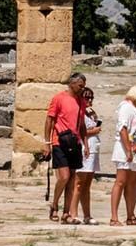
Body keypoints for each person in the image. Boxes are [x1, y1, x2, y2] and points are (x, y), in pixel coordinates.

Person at [43, 72, 86, 224]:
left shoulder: (82, 101)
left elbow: (82, 125)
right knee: (64, 177)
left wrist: (85, 144)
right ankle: (54, 204)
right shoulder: (59, 98)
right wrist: (47, 143)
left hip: (74, 143)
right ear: (72, 83)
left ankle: (66, 212)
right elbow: (50, 120)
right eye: (80, 85)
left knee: (73, 179)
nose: (82, 88)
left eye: (84, 86)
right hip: (59, 141)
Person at [109, 85, 136, 226]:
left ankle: (130, 215)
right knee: (120, 182)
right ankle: (114, 217)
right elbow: (123, 128)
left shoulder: (135, 109)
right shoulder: (125, 107)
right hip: (125, 151)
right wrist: (128, 150)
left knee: (132, 184)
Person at [73, 87, 101, 224]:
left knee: (87, 184)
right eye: (86, 97)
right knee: (78, 183)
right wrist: (94, 131)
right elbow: (78, 131)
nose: (89, 100)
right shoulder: (78, 112)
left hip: (94, 149)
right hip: (84, 148)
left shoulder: (90, 112)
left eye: (91, 97)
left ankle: (87, 215)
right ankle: (73, 214)